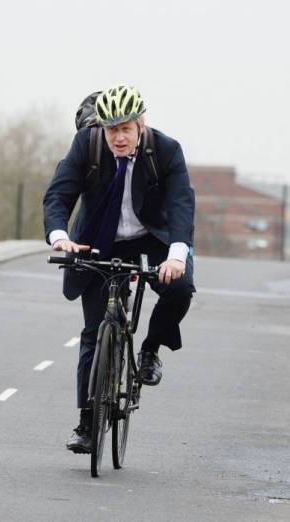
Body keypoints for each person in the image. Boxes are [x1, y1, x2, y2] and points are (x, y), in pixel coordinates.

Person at [42, 83, 196, 454]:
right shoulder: (87, 145)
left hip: (150, 238)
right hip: (96, 239)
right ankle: (87, 423)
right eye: (112, 130)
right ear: (102, 128)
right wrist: (60, 236)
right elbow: (58, 195)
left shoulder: (167, 150)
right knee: (94, 333)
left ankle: (149, 349)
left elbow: (181, 205)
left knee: (180, 289)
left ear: (140, 124)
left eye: (126, 128)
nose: (119, 137)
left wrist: (176, 256)